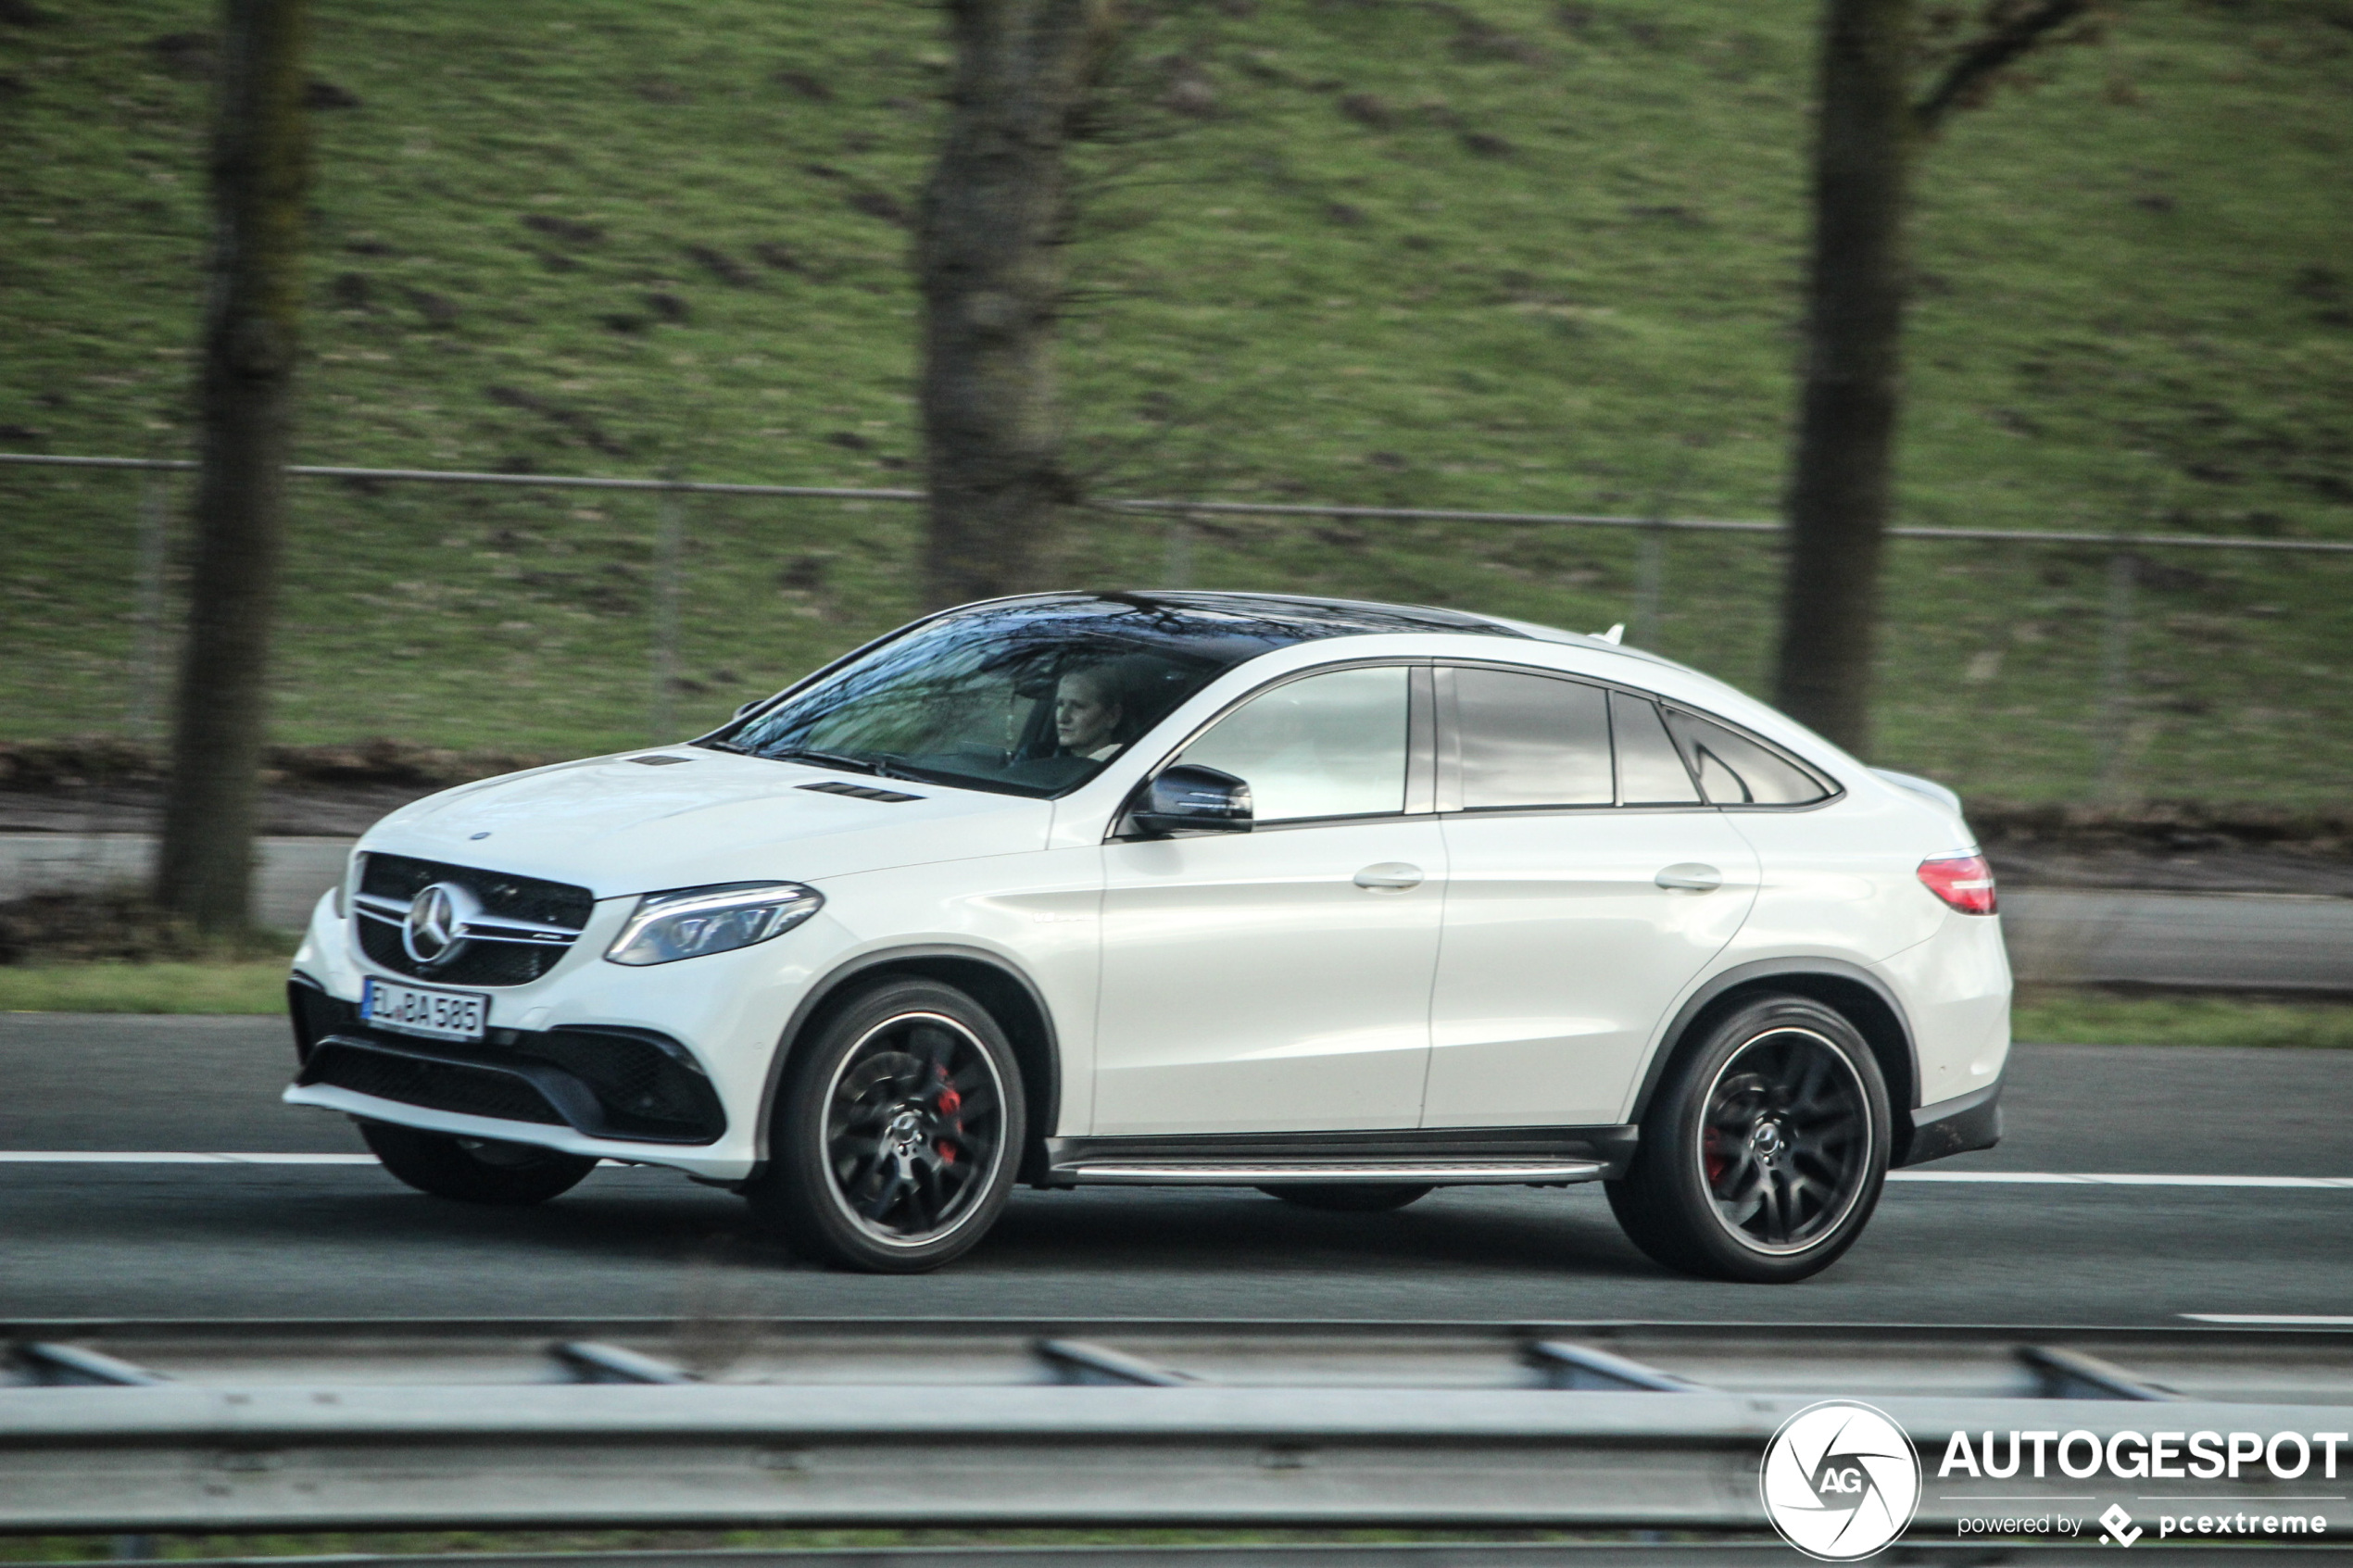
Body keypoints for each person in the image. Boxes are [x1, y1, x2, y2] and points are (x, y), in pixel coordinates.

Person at [1054, 660, 1152, 760]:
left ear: (1112, 716)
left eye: (1078, 706)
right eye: (1060, 704)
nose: (1063, 718)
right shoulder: (1041, 760)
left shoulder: (1132, 764)